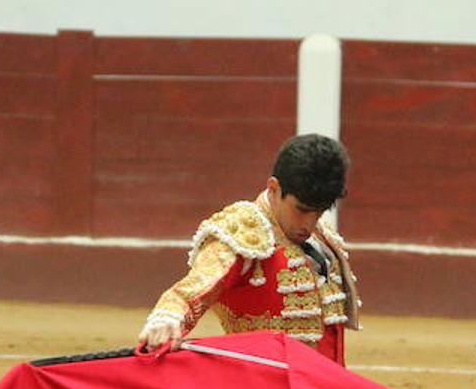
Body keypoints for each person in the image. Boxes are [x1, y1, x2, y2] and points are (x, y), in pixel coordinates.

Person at [136, 134, 361, 365]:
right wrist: (167, 318)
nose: (309, 224)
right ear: (274, 188)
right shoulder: (244, 233)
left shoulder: (322, 240)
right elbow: (191, 290)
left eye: (319, 212)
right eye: (301, 210)